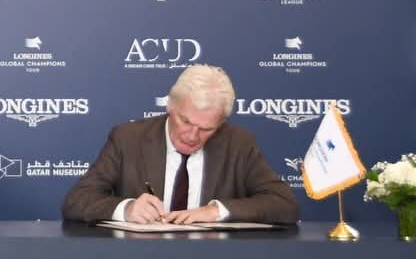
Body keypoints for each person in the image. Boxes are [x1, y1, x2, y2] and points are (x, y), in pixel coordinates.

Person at [61, 63, 299, 224]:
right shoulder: (128, 138)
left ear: (221, 123)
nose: (192, 136)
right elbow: (76, 201)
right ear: (169, 106)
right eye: (185, 121)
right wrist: (127, 208)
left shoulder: (239, 144)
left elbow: (285, 204)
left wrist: (216, 211)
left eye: (206, 129)